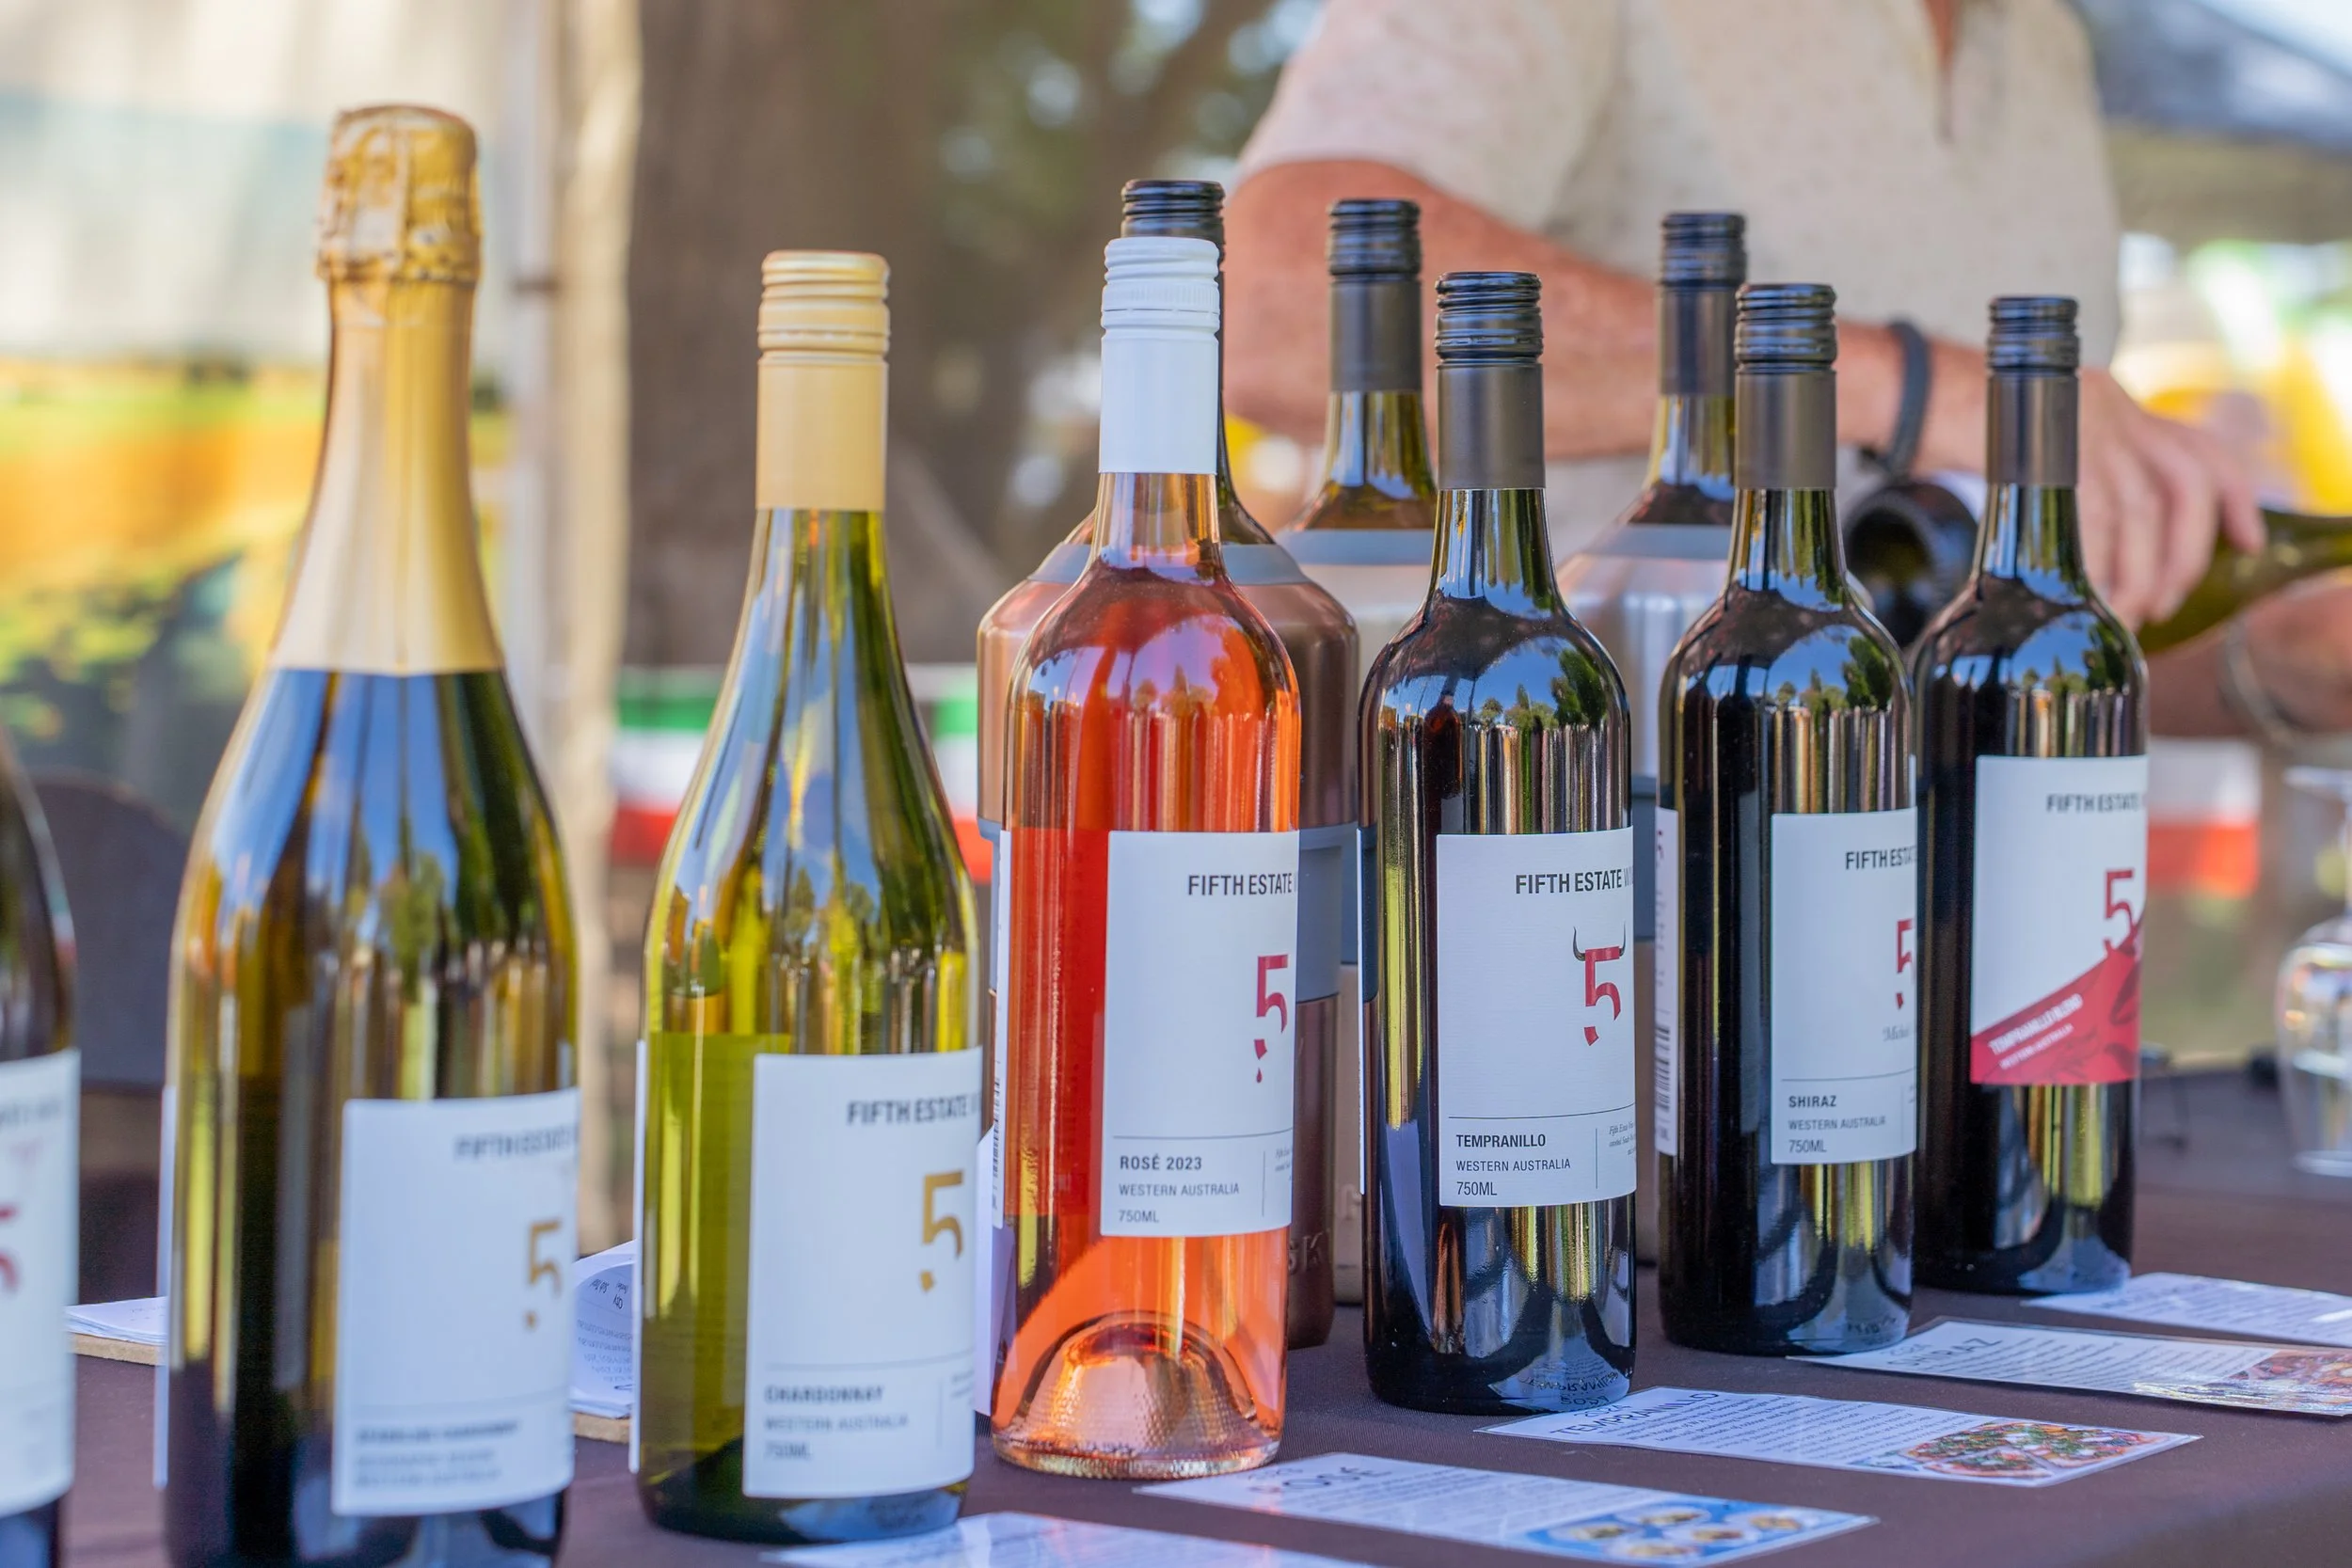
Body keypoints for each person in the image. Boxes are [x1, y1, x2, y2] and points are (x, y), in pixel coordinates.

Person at [1226, 0, 2348, 739]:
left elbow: (1956, 632)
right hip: (1594, 956)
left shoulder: (2047, 38)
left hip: (1962, 980)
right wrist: (1905, 388)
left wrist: (2265, 663)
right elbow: (1272, 302)